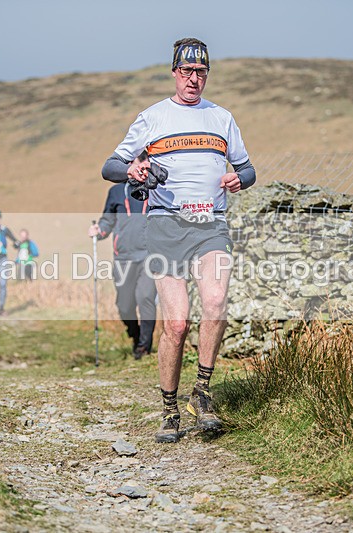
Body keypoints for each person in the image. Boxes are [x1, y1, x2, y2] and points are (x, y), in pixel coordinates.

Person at [101, 38, 256, 443]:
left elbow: (247, 168)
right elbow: (110, 166)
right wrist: (133, 172)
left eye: (201, 72)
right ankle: (169, 410)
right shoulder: (152, 117)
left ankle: (202, 394)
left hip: (211, 226)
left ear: (207, 75)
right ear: (174, 72)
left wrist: (240, 178)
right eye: (186, 72)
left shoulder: (222, 118)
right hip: (166, 229)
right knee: (177, 322)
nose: (193, 79)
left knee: (217, 302)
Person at [88, 183, 157, 359]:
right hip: (123, 258)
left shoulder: (156, 188)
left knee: (146, 297)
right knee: (124, 306)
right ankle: (135, 335)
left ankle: (144, 346)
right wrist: (100, 230)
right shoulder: (116, 191)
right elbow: (108, 220)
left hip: (150, 255)